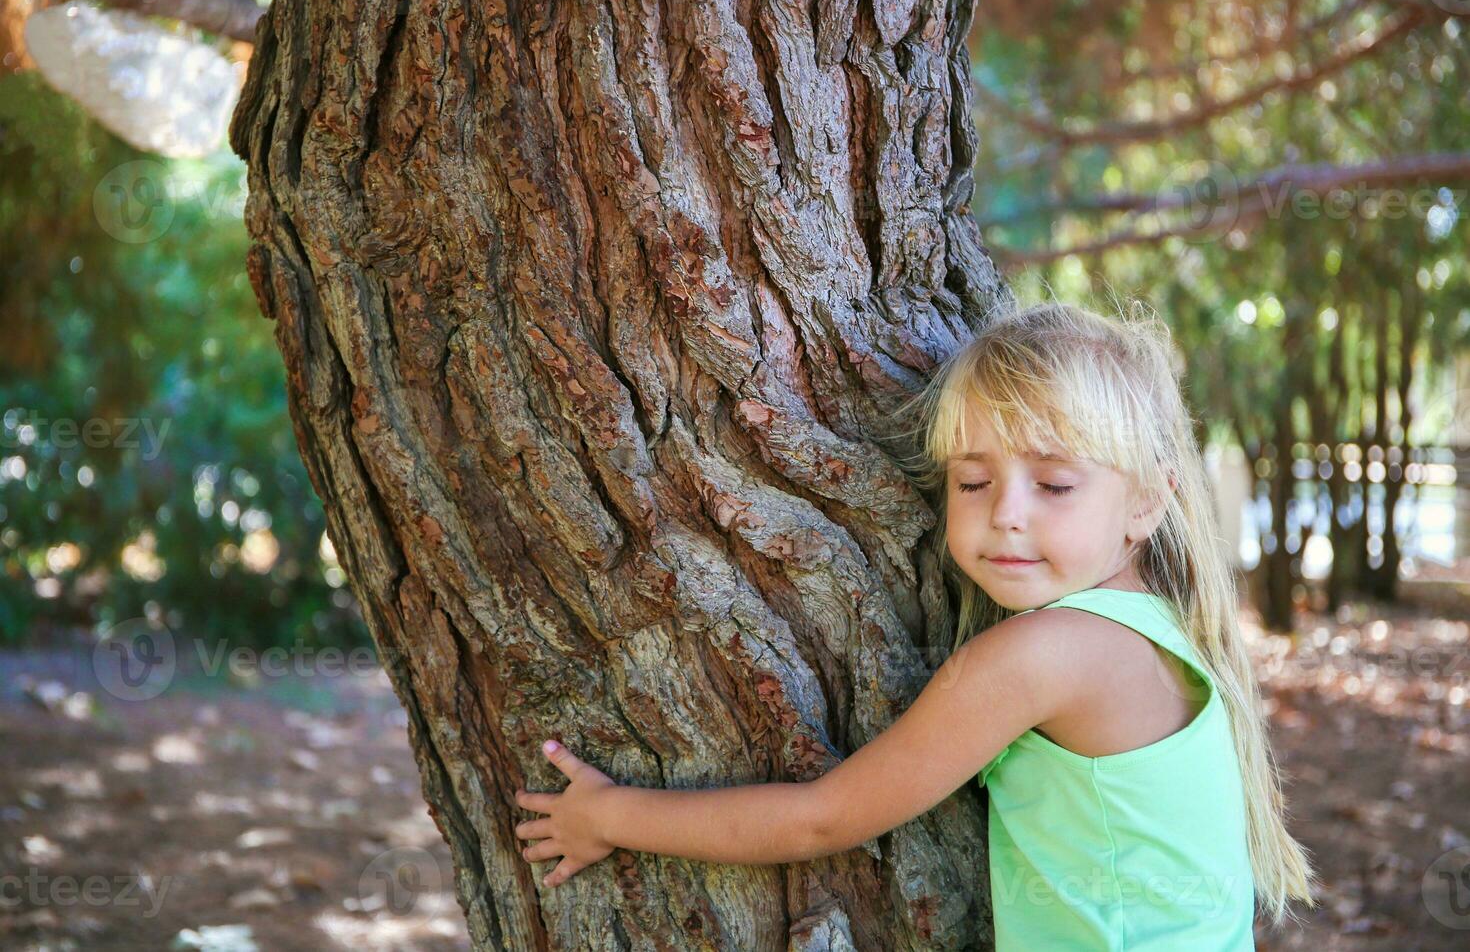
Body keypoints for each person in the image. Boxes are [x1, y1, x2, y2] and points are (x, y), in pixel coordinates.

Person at [513, 299, 1318, 948]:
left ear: (1147, 500)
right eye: (974, 482)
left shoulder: (1048, 655)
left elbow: (823, 817)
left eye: (1055, 485)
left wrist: (607, 817)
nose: (1006, 515)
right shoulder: (1160, 635)